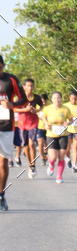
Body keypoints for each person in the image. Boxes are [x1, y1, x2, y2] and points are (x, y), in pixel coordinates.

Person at [0, 55, 26, 210]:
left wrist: (11, 104)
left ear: (2, 65)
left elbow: (23, 99)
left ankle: (1, 195)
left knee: (2, 162)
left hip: (6, 125)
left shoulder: (11, 80)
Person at [13, 77, 44, 178]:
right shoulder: (19, 97)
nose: (30, 88)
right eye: (28, 86)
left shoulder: (37, 97)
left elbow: (42, 106)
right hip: (22, 124)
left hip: (33, 123)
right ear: (24, 86)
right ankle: (30, 163)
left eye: (32, 86)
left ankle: (33, 164)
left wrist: (37, 111)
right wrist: (25, 109)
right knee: (25, 146)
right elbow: (14, 109)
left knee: (31, 144)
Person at [44, 91, 71, 183]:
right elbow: (43, 118)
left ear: (61, 98)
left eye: (58, 97)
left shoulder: (66, 109)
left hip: (63, 135)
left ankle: (59, 176)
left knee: (61, 156)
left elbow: (70, 119)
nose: (57, 100)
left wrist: (68, 122)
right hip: (51, 135)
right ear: (52, 99)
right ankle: (51, 165)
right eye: (55, 98)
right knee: (53, 157)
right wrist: (46, 123)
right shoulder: (47, 109)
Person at [65, 90, 77, 172]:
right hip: (68, 129)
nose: (74, 100)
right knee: (67, 148)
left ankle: (74, 166)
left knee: (75, 147)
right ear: (69, 98)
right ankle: (68, 158)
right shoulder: (65, 106)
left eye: (75, 99)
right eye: (72, 98)